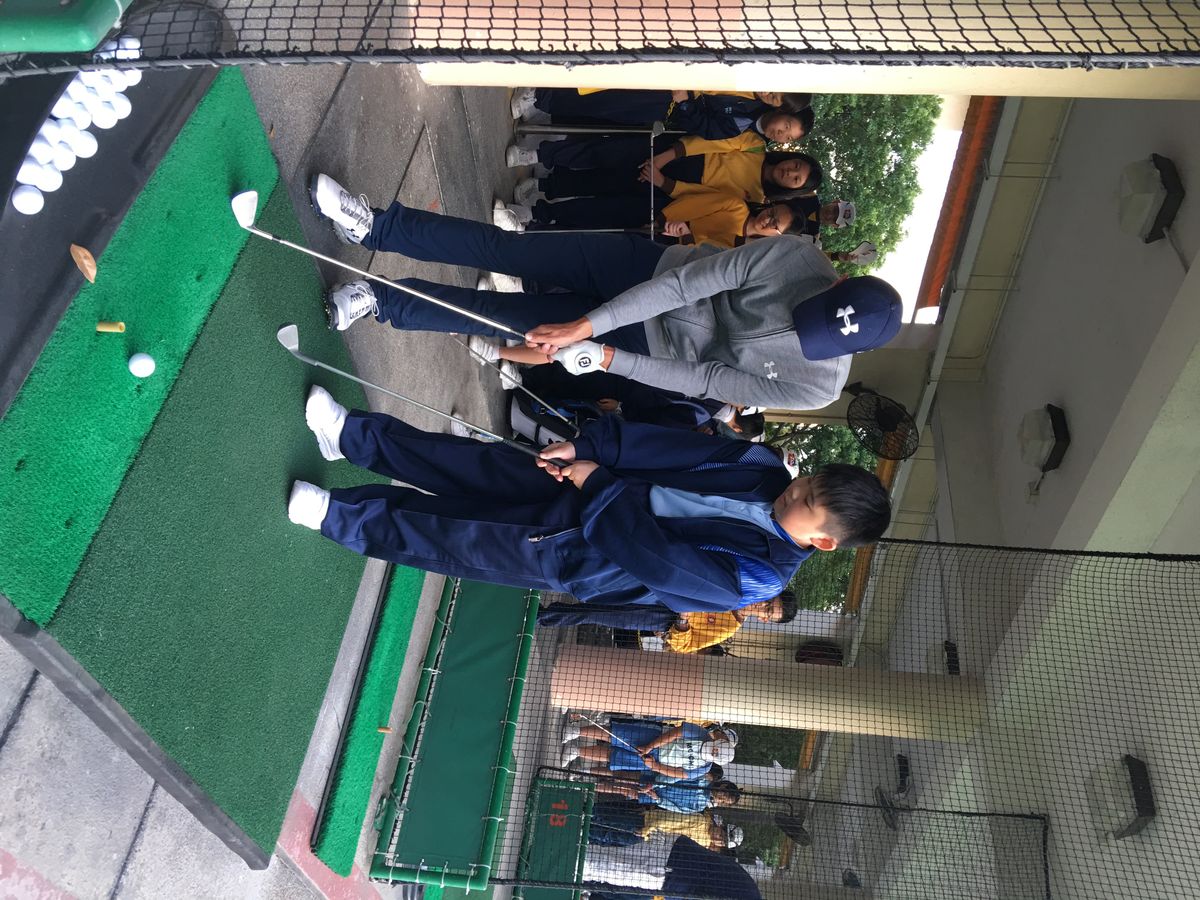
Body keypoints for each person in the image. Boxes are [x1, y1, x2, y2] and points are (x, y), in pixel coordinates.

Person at [309, 174, 903, 411]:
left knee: (500, 317)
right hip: (648, 270)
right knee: (507, 251)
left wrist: (607, 355)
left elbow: (705, 381)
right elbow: (686, 283)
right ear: (839, 282)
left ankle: (379, 301)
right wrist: (589, 325)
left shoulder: (815, 387)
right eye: (814, 310)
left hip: (641, 345)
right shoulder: (797, 256)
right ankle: (375, 226)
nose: (801, 324)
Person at [289, 389, 892, 612]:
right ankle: (349, 435)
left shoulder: (761, 577)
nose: (795, 488)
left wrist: (598, 485)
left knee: (455, 535)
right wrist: (587, 447)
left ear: (822, 540)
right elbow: (670, 447)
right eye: (808, 481)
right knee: (467, 461)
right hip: (591, 475)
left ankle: (336, 516)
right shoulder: (761, 466)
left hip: (586, 548)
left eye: (808, 501)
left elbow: (661, 562)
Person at [502, 148, 821, 232]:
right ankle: (543, 185)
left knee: (599, 214)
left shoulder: (755, 202)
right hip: (675, 173)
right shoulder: (755, 149)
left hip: (668, 211)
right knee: (607, 179)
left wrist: (670, 223)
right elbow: (710, 149)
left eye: (795, 180)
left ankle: (536, 215)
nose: (789, 173)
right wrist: (665, 170)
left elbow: (702, 205)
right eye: (795, 166)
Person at [513, 87, 813, 142]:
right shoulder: (749, 74)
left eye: (787, 136)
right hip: (672, 72)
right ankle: (542, 91)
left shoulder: (741, 124)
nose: (781, 133)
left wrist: (685, 103)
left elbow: (703, 127)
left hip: (664, 103)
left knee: (604, 103)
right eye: (787, 125)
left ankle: (538, 99)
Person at [536, 591, 797, 654]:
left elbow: (685, 645)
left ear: (765, 619)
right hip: (663, 591)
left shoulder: (729, 627)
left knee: (598, 614)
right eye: (767, 602)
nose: (761, 607)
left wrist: (683, 620)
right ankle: (549, 607)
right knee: (601, 591)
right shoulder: (736, 589)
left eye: (767, 611)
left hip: (660, 617)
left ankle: (543, 617)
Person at [561, 721, 735, 781]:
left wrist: (655, 766)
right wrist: (650, 746)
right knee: (614, 735)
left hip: (653, 761)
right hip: (655, 738)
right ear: (718, 742)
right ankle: (576, 731)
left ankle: (575, 751)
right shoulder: (702, 734)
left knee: (612, 757)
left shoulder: (704, 768)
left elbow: (679, 773)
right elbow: (676, 733)